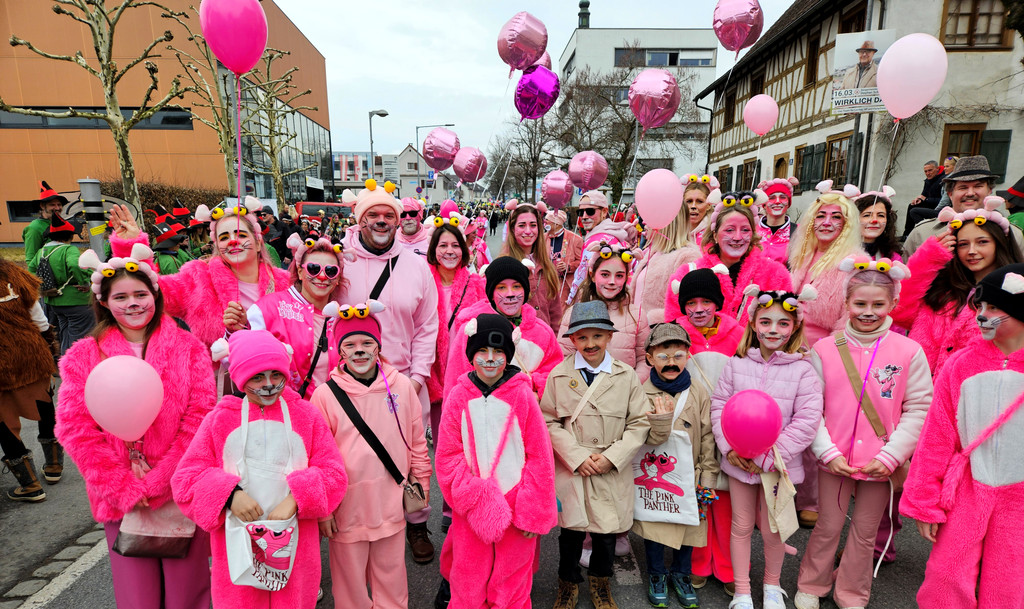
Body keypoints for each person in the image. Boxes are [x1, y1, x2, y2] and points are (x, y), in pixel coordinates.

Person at [57, 244, 216, 609]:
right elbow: (74, 427)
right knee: (137, 597)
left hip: (179, 490)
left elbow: (201, 417)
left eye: (140, 294)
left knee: (188, 593)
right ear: (104, 302)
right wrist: (120, 485)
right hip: (121, 498)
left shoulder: (189, 347)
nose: (133, 304)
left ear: (155, 295)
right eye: (121, 297)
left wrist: (165, 479)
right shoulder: (84, 354)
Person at [793, 258, 931, 609]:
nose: (868, 312)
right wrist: (826, 452)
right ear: (846, 302)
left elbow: (919, 408)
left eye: (878, 304)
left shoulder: (909, 351)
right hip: (834, 459)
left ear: (893, 303)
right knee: (828, 525)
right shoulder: (824, 350)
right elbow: (811, 407)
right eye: (860, 303)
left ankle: (852, 591)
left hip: (880, 461)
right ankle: (812, 583)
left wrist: (892, 456)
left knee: (866, 531)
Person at [173, 330, 347, 609]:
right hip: (236, 546)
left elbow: (334, 473)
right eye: (257, 377)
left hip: (296, 544)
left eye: (276, 375)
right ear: (240, 378)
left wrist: (296, 499)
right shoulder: (219, 421)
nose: (268, 385)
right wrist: (229, 495)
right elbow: (185, 480)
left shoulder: (306, 416)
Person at [900, 263, 1024, 609]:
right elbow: (937, 436)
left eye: (994, 307)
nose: (982, 316)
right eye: (979, 306)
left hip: (1020, 496)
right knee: (946, 576)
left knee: (1010, 582)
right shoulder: (961, 364)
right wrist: (925, 502)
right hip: (967, 488)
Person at [338, 178, 439, 562]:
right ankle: (360, 523)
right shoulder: (341, 263)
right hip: (351, 384)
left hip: (404, 381)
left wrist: (418, 377)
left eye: (388, 215)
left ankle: (416, 523)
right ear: (360, 220)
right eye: (373, 215)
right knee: (359, 456)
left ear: (398, 221)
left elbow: (427, 326)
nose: (381, 221)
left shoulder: (416, 266)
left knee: (411, 455)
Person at [310, 301, 430, 609]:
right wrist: (324, 510)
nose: (359, 351)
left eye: (367, 343)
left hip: (391, 504)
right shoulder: (324, 396)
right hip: (346, 510)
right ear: (339, 350)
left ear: (379, 346)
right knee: (350, 587)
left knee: (392, 580)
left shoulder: (401, 386)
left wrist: (422, 486)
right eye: (350, 344)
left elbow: (418, 441)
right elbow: (317, 458)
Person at [711, 285, 823, 609]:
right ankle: (742, 591)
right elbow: (719, 406)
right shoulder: (736, 364)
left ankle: (772, 586)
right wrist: (728, 447)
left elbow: (807, 420)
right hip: (738, 463)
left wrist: (768, 457)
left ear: (795, 327)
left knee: (774, 530)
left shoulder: (803, 370)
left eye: (783, 323)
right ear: (753, 324)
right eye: (766, 322)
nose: (773, 329)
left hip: (777, 466)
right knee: (741, 526)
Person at [436, 313, 557, 609]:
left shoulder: (523, 396)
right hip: (471, 511)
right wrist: (476, 498)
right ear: (470, 355)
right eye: (482, 351)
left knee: (511, 583)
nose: (490, 359)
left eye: (498, 352)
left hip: (517, 506)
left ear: (508, 355)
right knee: (468, 580)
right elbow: (448, 455)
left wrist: (532, 510)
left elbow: (540, 456)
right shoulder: (458, 397)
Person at [542, 300, 650, 609]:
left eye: (597, 336)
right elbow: (548, 420)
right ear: (573, 340)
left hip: (610, 468)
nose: (590, 344)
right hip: (574, 468)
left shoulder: (626, 376)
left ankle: (601, 583)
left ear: (609, 336)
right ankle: (567, 582)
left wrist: (613, 457)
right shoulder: (559, 375)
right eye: (583, 337)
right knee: (571, 533)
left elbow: (639, 422)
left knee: (606, 534)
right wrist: (575, 456)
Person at [108, 198, 291, 352]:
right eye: (224, 237)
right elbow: (152, 291)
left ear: (258, 243)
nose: (233, 241)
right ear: (217, 246)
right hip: (216, 380)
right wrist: (130, 246)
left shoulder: (285, 284)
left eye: (241, 235)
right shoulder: (198, 278)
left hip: (277, 378)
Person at [633, 322, 719, 609]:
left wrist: (707, 477)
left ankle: (682, 574)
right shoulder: (641, 393)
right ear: (649, 358)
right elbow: (639, 435)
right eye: (663, 356)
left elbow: (707, 436)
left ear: (688, 355)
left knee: (688, 525)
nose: (671, 362)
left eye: (678, 355)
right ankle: (657, 573)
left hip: (690, 474)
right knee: (655, 523)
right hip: (655, 474)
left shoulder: (698, 392)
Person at [892, 197, 1024, 374]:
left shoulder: (1016, 291)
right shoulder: (942, 288)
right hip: (920, 386)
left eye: (982, 242)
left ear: (1000, 243)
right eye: (963, 244)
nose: (972, 251)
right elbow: (899, 312)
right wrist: (929, 258)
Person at [224, 235, 348, 400]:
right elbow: (231, 360)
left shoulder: (345, 317)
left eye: (331, 271)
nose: (322, 276)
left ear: (338, 278)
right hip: (285, 410)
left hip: (333, 411)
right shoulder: (269, 308)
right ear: (300, 271)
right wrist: (235, 331)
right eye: (313, 268)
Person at [663, 189, 792, 324]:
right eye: (729, 230)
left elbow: (786, 322)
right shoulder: (688, 273)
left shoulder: (776, 275)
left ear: (752, 234)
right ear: (714, 235)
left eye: (745, 230)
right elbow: (674, 327)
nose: (737, 237)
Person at [446, 257, 562, 400]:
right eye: (501, 287)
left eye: (516, 286)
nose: (510, 294)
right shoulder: (472, 329)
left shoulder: (542, 332)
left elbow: (555, 374)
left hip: (529, 410)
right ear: (491, 293)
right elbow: (455, 381)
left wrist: (535, 393)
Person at [0, 259, 59, 501]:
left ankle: (30, 484)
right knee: (43, 404)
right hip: (30, 351)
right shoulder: (15, 274)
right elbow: (40, 319)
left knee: (3, 418)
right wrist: (49, 343)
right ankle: (54, 466)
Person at [424, 222, 487, 443]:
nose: (449, 251)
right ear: (433, 249)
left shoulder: (476, 285)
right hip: (434, 376)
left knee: (470, 441)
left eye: (455, 245)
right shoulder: (423, 285)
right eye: (443, 245)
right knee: (443, 441)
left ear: (463, 249)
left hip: (467, 376)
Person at [559, 240, 650, 381]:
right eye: (605, 275)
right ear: (592, 275)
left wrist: (630, 385)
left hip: (623, 390)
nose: (612, 281)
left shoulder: (636, 315)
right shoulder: (573, 313)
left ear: (626, 277)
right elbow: (563, 358)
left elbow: (644, 359)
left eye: (619, 275)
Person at [789, 180, 865, 346]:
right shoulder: (803, 255)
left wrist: (828, 353)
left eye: (836, 217)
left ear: (847, 224)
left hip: (823, 351)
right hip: (788, 347)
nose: (826, 222)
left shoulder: (855, 263)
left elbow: (850, 322)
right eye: (820, 216)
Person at [904, 155, 1024, 255]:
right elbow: (906, 275)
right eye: (963, 187)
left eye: (978, 186)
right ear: (950, 194)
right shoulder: (921, 234)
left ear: (989, 191)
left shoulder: (1013, 234)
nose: (970, 193)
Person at [631, 176, 703, 315]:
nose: (644, 221)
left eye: (650, 214)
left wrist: (655, 322)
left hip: (659, 328)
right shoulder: (653, 252)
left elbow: (688, 310)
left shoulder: (687, 257)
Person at [29, 213, 94, 353]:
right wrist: (84, 282)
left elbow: (31, 269)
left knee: (65, 335)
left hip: (54, 302)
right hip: (76, 301)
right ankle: (76, 363)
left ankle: (64, 360)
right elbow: (75, 265)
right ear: (69, 236)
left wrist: (43, 285)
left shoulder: (41, 251)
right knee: (80, 337)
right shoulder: (69, 249)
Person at [501, 200, 563, 333]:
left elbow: (555, 312)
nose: (528, 231)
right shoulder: (503, 265)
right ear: (512, 228)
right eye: (522, 225)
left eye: (533, 225)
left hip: (545, 341)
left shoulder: (547, 265)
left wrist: (553, 338)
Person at [756, 177, 800, 265]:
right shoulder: (752, 231)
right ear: (764, 205)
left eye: (782, 197)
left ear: (788, 203)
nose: (777, 201)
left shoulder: (799, 232)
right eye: (772, 198)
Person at [23, 180, 67, 268]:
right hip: (47, 273)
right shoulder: (34, 228)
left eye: (59, 204)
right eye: (52, 205)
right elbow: (31, 259)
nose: (57, 208)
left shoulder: (61, 223)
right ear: (42, 206)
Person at [546, 209, 584, 307]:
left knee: (560, 310)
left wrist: (568, 266)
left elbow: (582, 262)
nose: (544, 222)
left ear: (556, 223)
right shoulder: (542, 238)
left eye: (547, 220)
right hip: (546, 282)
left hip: (564, 284)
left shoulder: (575, 239)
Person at [856, 187, 903, 261]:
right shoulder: (839, 253)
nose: (874, 220)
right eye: (867, 215)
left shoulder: (893, 258)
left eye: (881, 215)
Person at [902, 160, 946, 236]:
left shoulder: (943, 180)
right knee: (912, 205)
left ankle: (925, 232)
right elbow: (923, 195)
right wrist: (919, 200)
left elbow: (943, 201)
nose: (927, 173)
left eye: (930, 170)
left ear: (937, 169)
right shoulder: (928, 181)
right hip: (930, 205)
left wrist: (926, 199)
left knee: (914, 211)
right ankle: (907, 234)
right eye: (925, 171)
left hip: (940, 209)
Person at [684, 174, 717, 245]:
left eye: (699, 201)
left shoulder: (715, 231)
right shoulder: (673, 230)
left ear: (708, 205)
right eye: (689, 201)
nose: (693, 206)